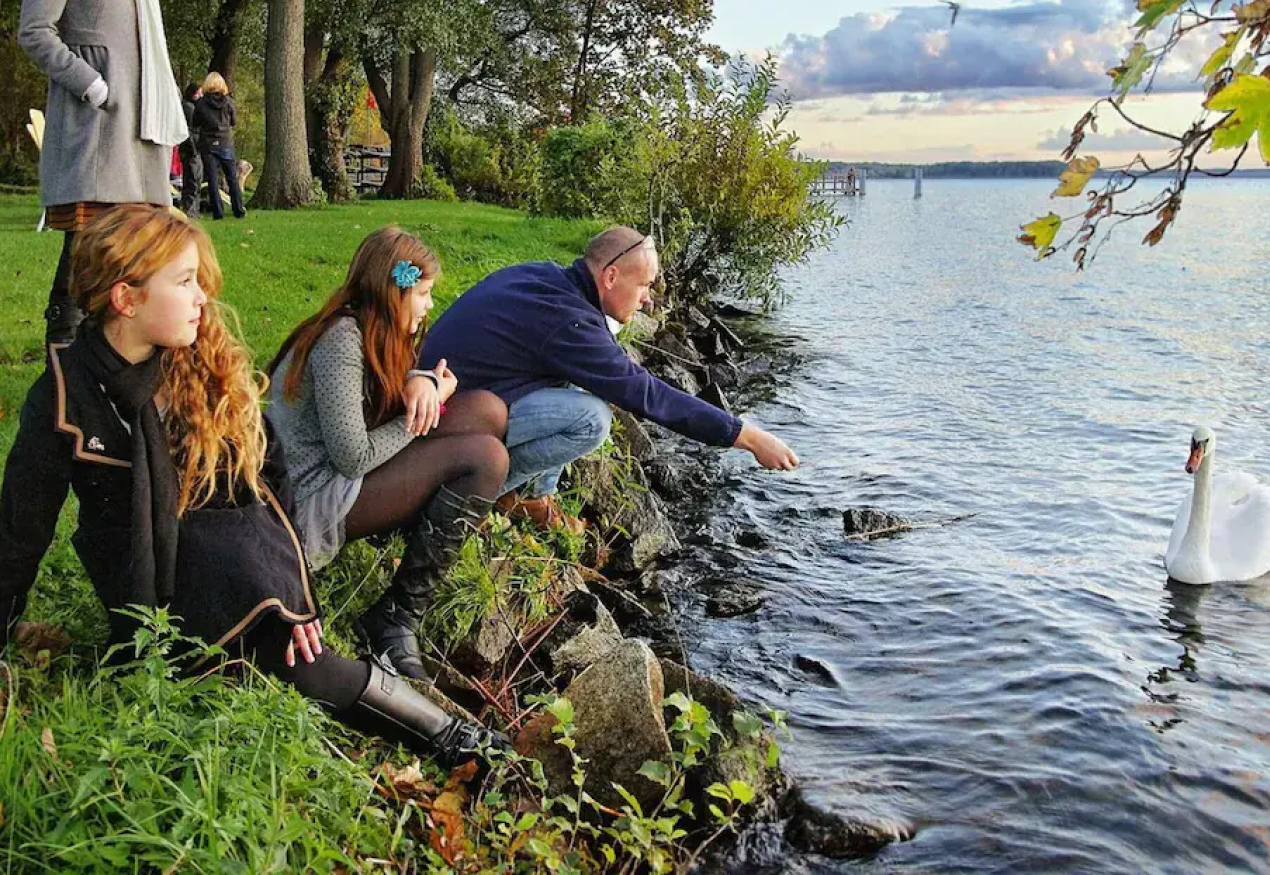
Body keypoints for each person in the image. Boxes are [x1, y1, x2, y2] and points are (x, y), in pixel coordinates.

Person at [0, 206, 504, 764]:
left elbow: (265, 481)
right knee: (304, 662)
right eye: (184, 282)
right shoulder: (66, 394)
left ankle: (455, 738)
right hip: (151, 574)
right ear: (126, 299)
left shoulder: (199, 360)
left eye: (199, 281)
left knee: (298, 648)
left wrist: (288, 591)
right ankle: (455, 740)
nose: (202, 298)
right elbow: (21, 528)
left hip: (233, 547)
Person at [419, 226, 799, 528]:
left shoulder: (548, 278)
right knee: (592, 419)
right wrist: (747, 436)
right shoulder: (570, 323)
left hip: (447, 394)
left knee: (578, 381)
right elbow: (647, 395)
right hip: (447, 418)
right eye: (645, 284)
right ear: (611, 276)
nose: (648, 298)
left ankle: (533, 498)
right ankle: (473, 495)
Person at [267, 228, 510, 681]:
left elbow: (381, 394)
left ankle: (410, 545)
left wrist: (423, 382)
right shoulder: (340, 339)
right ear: (393, 291)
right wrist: (422, 415)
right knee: (487, 459)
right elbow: (354, 456)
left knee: (487, 411)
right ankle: (397, 616)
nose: (429, 305)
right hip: (307, 501)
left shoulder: (375, 328)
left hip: (343, 474)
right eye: (423, 293)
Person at [18, 0, 189, 347]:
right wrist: (92, 84)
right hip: (94, 135)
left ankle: (114, 365)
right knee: (85, 257)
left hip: (139, 139)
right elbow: (34, 31)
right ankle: (62, 365)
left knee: (132, 263)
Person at [193, 72, 245, 219]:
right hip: (225, 142)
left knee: (212, 180)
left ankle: (217, 212)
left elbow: (195, 123)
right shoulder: (228, 102)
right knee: (232, 178)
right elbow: (233, 122)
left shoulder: (201, 103)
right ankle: (238, 209)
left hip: (208, 144)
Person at [177, 82, 204, 217]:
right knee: (192, 180)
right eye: (199, 93)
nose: (201, 95)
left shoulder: (193, 107)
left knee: (196, 180)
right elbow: (189, 131)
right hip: (190, 149)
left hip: (195, 147)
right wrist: (192, 148)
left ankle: (194, 209)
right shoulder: (188, 108)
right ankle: (190, 209)